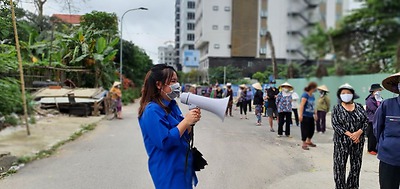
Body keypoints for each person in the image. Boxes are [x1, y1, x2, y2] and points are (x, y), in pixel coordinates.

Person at [138, 64, 202, 188]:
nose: (176, 85)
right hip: (168, 170)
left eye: (177, 81)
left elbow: (183, 135)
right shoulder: (152, 110)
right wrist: (185, 122)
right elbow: (165, 141)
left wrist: (190, 122)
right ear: (158, 84)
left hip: (180, 166)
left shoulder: (172, 105)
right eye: (173, 81)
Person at [331, 83, 368, 189]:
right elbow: (335, 124)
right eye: (343, 93)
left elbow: (366, 121)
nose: (346, 95)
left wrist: (358, 133)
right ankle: (340, 186)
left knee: (356, 166)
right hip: (341, 142)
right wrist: (351, 135)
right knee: (339, 166)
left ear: (353, 94)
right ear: (339, 95)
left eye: (348, 93)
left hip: (358, 141)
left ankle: (353, 186)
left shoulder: (360, 107)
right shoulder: (337, 108)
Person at [374, 73, 400, 189]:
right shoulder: (387, 105)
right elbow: (377, 129)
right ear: (397, 86)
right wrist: (385, 145)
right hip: (389, 158)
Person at [299, 82, 317, 150]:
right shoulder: (305, 95)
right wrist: (300, 115)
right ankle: (304, 143)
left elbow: (313, 105)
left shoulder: (312, 96)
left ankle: (309, 141)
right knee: (305, 129)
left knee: (311, 129)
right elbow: (302, 105)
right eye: (315, 88)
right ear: (312, 88)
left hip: (310, 115)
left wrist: (315, 114)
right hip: (305, 115)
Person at [365, 83, 383, 155]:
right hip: (371, 120)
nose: (379, 91)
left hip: (378, 119)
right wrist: (378, 102)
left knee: (377, 134)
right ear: (373, 91)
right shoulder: (370, 99)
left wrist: (379, 100)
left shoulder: (379, 98)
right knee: (371, 135)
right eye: (378, 90)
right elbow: (374, 109)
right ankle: (370, 149)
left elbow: (383, 107)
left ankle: (376, 148)